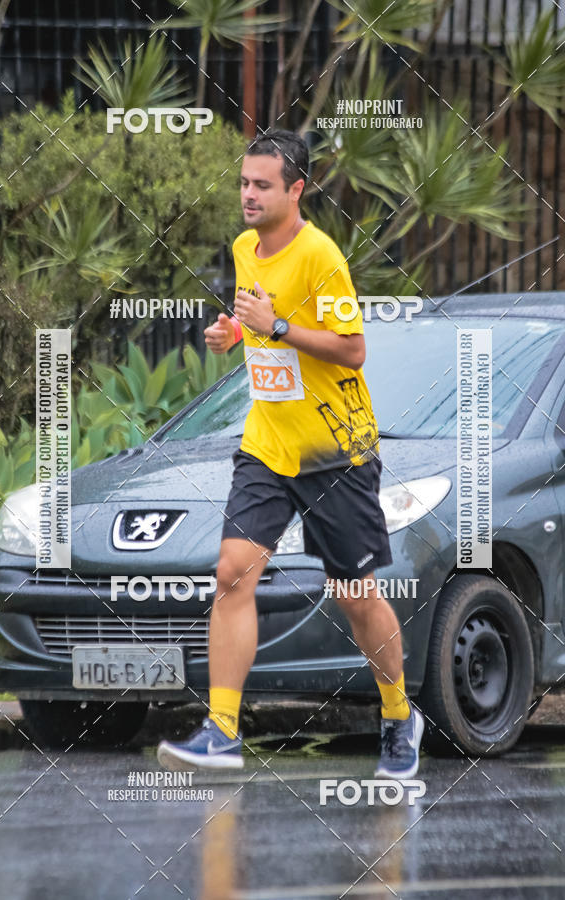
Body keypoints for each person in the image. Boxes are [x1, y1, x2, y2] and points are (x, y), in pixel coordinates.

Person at [157, 130, 424, 780]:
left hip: (337, 450)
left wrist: (276, 325)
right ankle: (221, 729)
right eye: (244, 183)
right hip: (269, 443)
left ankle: (397, 712)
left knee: (354, 594)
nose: (248, 194)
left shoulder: (322, 257)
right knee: (232, 571)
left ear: (295, 189)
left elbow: (351, 348)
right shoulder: (246, 247)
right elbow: (255, 317)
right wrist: (232, 330)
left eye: (262, 185)